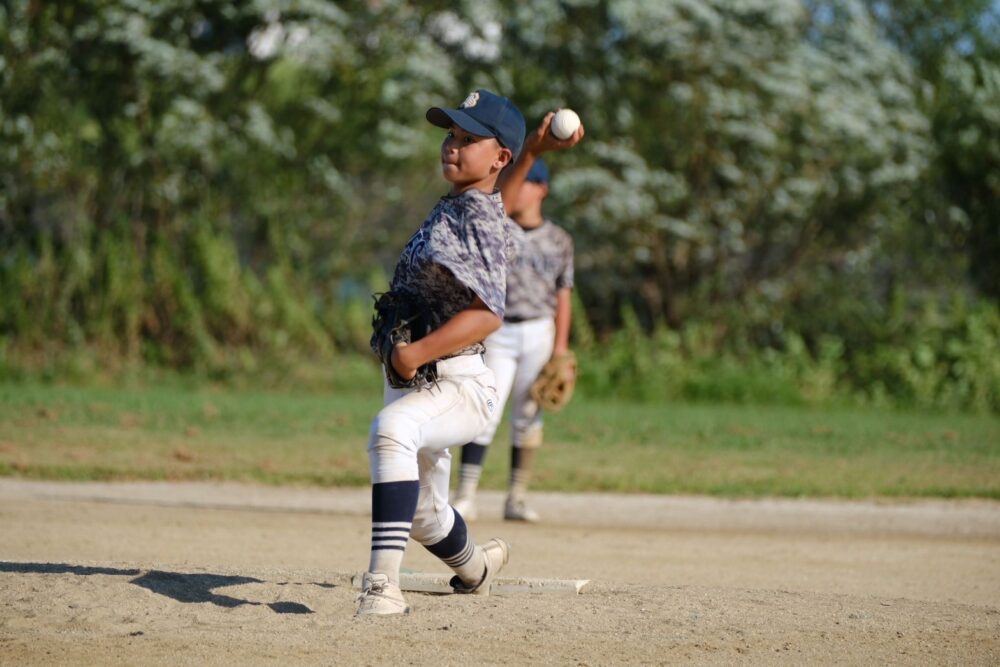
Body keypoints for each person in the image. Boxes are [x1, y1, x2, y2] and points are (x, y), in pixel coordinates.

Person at [355, 89, 527, 617]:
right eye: (451, 135)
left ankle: (381, 586)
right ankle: (477, 569)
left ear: (499, 157)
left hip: (456, 381)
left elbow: (488, 313)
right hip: (420, 377)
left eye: (469, 139)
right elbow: (503, 198)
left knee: (391, 433)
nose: (452, 146)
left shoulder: (477, 215)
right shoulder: (463, 206)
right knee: (427, 513)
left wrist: (416, 351)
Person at [452, 112, 584, 523]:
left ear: (541, 188)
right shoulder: (499, 227)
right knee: (484, 411)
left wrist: (560, 348)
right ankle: (466, 494)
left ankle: (517, 497)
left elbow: (564, 295)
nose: (518, 187)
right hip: (499, 329)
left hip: (539, 331)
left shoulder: (560, 239)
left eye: (526, 181)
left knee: (528, 414)